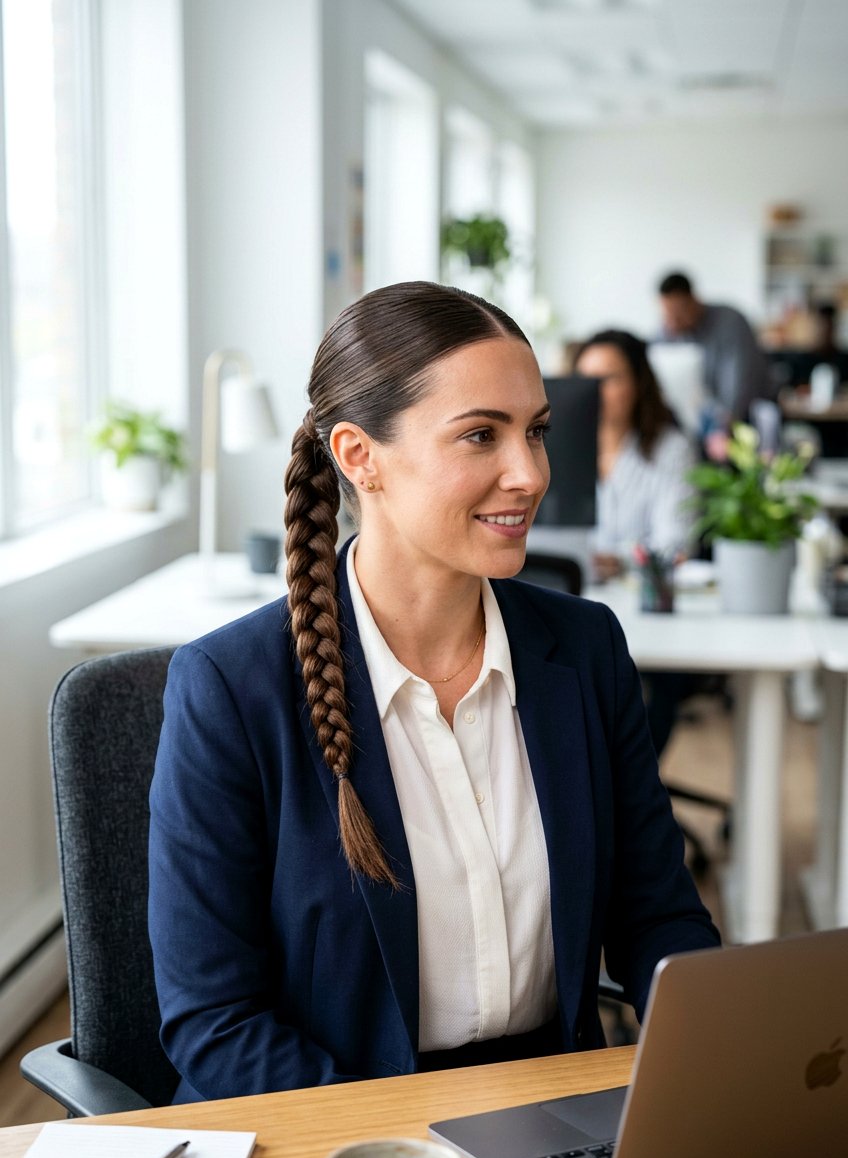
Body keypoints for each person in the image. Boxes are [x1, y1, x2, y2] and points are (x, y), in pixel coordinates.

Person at [148, 281, 720, 1104]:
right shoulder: (231, 691)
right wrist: (411, 1155)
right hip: (330, 1140)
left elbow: (655, 914)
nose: (528, 474)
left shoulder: (583, 649)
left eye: (536, 432)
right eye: (480, 436)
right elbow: (216, 1021)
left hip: (550, 1112)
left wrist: (718, 1046)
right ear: (358, 456)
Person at [573, 328, 695, 582]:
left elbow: (676, 543)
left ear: (638, 384)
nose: (594, 392)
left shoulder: (672, 450)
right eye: (585, 380)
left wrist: (619, 560)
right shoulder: (556, 450)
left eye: (608, 379)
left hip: (639, 591)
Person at [656, 271, 773, 431]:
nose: (672, 323)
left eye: (677, 315)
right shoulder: (669, 332)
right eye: (667, 315)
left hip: (745, 418)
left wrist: (724, 427)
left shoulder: (730, 322)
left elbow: (738, 381)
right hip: (698, 422)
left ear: (693, 301)